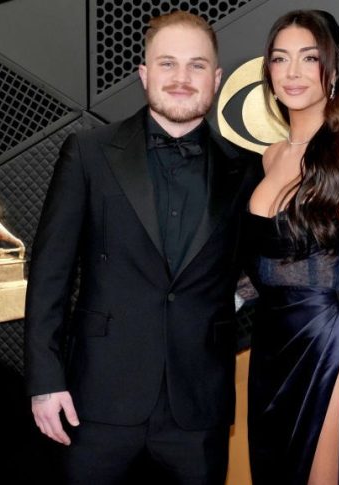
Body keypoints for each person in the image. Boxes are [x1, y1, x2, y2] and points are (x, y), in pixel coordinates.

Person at [24, 10, 261, 484]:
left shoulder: (245, 169)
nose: (181, 78)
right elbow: (51, 273)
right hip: (95, 400)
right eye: (167, 63)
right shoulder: (89, 152)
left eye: (196, 66)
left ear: (215, 79)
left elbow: (254, 271)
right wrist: (45, 382)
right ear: (144, 73)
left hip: (199, 406)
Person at [245, 10, 339, 484]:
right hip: (268, 350)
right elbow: (272, 259)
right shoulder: (271, 156)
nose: (292, 72)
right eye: (280, 58)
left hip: (325, 348)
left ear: (333, 70)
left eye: (309, 58)